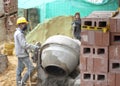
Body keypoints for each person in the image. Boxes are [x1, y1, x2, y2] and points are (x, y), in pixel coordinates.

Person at [14, 17, 39, 86]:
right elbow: (24, 45)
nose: (26, 25)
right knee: (31, 68)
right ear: (20, 25)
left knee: (19, 70)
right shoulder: (20, 34)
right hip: (23, 54)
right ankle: (22, 83)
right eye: (24, 24)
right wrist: (34, 47)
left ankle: (18, 84)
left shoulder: (17, 32)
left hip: (19, 53)